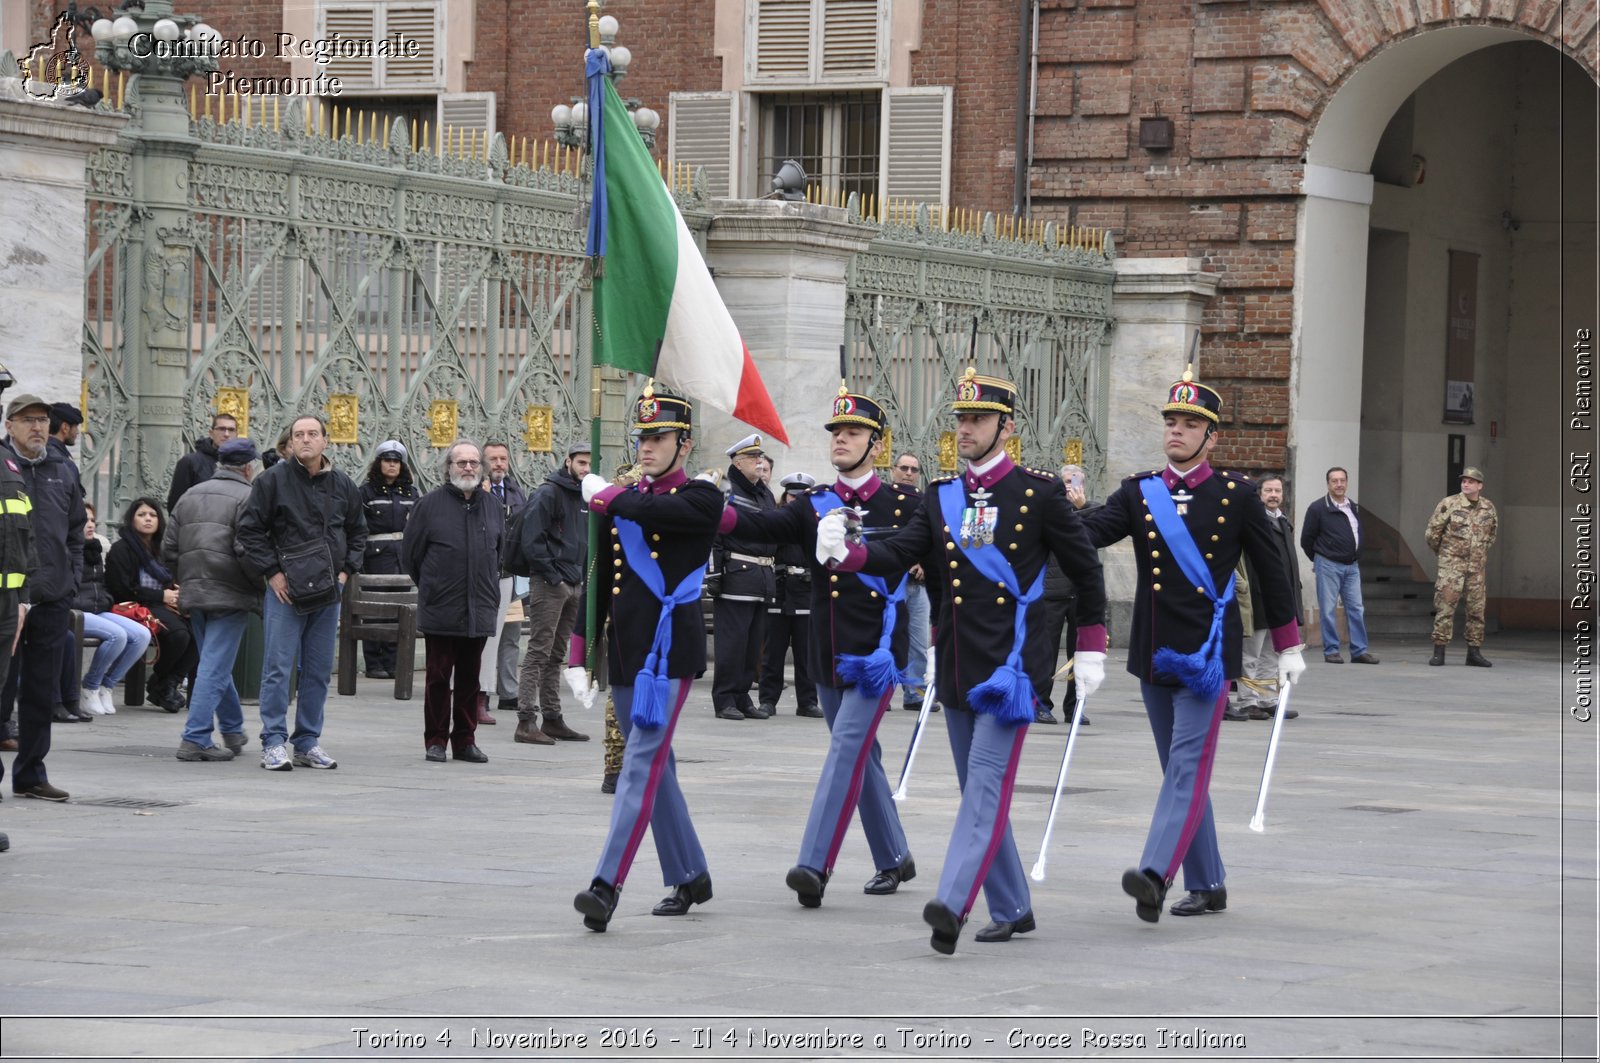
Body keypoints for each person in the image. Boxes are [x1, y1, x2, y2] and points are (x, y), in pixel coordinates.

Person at [820, 367, 1107, 954]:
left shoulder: (1039, 492)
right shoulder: (941, 495)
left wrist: (1092, 648)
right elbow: (901, 551)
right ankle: (1013, 906)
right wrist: (849, 554)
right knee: (978, 787)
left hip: (1011, 666)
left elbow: (1086, 570)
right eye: (961, 420)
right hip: (956, 661)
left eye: (977, 419)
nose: (966, 429)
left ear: (1006, 425)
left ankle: (952, 901)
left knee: (983, 785)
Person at [1081, 368, 1305, 923]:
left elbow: (1273, 571)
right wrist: (1040, 519)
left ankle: (1155, 872)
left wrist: (1289, 643)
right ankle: (1208, 882)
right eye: (1171, 423)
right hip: (1154, 651)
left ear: (1211, 437)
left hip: (1206, 654)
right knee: (1180, 771)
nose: (1176, 432)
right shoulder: (1139, 492)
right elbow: (1092, 530)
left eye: (1189, 424)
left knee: (1186, 766)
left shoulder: (1236, 494)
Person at [727, 390, 919, 907]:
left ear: (875, 446)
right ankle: (895, 856)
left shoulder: (905, 505)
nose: (840, 439)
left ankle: (814, 864)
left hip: (876, 653)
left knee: (844, 750)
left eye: (852, 433)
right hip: (827, 647)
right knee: (861, 755)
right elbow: (760, 526)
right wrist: (712, 511)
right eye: (836, 432)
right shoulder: (813, 504)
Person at [571, 386, 722, 932]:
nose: (647, 447)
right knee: (659, 768)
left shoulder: (703, 496)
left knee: (640, 763)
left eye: (658, 438)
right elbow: (599, 578)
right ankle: (690, 874)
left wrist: (604, 493)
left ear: (684, 444)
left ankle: (605, 884)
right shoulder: (624, 497)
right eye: (642, 438)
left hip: (670, 652)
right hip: (628, 646)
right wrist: (579, 650)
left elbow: (653, 509)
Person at [235, 413, 366, 772]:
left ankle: (307, 741)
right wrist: (272, 574)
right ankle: (273, 742)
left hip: (328, 592)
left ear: (326, 441)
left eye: (312, 434)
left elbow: (357, 532)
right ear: (290, 443)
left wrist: (344, 573)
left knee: (319, 669)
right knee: (278, 667)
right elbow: (249, 531)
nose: (305, 440)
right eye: (298, 435)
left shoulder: (343, 485)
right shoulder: (272, 481)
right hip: (286, 592)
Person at [1, 393, 82, 801]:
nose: (38, 427)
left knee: (40, 690)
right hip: (7, 598)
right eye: (28, 419)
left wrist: (72, 580)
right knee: (1, 687)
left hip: (51, 596)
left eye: (43, 420)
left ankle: (31, 773)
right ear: (9, 425)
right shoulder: (2, 466)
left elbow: (76, 531)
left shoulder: (62, 469)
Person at [402, 439, 503, 764]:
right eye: (462, 463)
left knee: (470, 680)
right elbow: (411, 556)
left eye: (474, 463)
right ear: (449, 468)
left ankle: (465, 741)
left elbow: (498, 554)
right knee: (438, 677)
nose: (469, 468)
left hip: (480, 606)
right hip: (442, 606)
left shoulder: (492, 506)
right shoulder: (429, 505)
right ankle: (435, 740)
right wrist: (435, 586)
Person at [163, 438, 263, 760]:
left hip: (195, 590)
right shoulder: (249, 496)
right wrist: (258, 585)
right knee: (213, 666)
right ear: (249, 467)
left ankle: (233, 728)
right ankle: (195, 738)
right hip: (230, 592)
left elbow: (169, 549)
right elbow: (247, 550)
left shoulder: (190, 496)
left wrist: (185, 579)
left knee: (212, 662)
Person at [515, 440, 591, 745]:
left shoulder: (585, 495)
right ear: (568, 461)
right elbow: (531, 540)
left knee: (558, 654)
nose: (586, 469)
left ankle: (553, 717)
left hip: (573, 581)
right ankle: (525, 720)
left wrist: (578, 580)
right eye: (581, 463)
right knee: (538, 650)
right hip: (550, 583)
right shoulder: (548, 492)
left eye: (589, 464)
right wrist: (554, 577)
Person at [709, 434, 778, 720]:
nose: (760, 463)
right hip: (736, 575)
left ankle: (741, 696)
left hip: (762, 578)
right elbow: (713, 535)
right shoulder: (726, 491)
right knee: (732, 643)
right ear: (738, 462)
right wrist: (714, 573)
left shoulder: (764, 493)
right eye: (753, 458)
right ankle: (724, 698)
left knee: (752, 645)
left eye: (761, 458)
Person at [106, 498, 197, 714]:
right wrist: (161, 596)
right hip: (135, 605)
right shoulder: (122, 549)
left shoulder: (161, 548)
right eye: (142, 514)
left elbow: (170, 579)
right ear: (131, 519)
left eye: (153, 515)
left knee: (199, 633)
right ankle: (161, 684)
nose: (148, 519)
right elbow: (121, 589)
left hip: (161, 604)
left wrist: (175, 595)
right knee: (178, 635)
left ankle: (166, 683)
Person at [1226, 474, 1304, 721]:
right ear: (1259, 494)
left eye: (1277, 491)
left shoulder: (1284, 522)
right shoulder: (1253, 522)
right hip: (1258, 596)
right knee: (1252, 652)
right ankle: (1248, 700)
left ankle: (1268, 698)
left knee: (1272, 651)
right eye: (1268, 490)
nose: (1273, 495)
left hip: (1280, 597)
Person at [1026, 463, 1098, 726]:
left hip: (1080, 593)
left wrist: (1081, 508)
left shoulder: (1092, 508)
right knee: (1045, 653)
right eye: (1066, 481)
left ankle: (1075, 706)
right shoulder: (1049, 509)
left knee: (1081, 656)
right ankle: (1040, 704)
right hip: (1052, 590)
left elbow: (1095, 534)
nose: (1070, 486)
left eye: (1075, 480)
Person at [73, 502, 151, 716]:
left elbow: (102, 584)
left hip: (99, 609)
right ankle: (90, 686)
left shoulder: (95, 549)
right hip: (76, 612)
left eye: (92, 521)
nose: (90, 525)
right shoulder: (67, 549)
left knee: (142, 634)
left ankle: (106, 685)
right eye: (84, 521)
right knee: (117, 635)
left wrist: (106, 599)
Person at [756, 472, 822, 720]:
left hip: (805, 591)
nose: (796, 500)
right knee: (773, 651)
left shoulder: (817, 522)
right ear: (785, 496)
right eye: (792, 495)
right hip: (780, 589)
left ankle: (807, 702)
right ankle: (767, 700)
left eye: (801, 496)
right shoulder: (776, 520)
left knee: (806, 653)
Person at [1301, 466, 1378, 665]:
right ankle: (1331, 650)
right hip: (1328, 564)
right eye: (1334, 481)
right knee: (1328, 610)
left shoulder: (1352, 506)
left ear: (1347, 482)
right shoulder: (1317, 508)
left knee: (1356, 609)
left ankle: (1359, 651)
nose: (1339, 484)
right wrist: (1320, 559)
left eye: (1342, 480)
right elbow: (1306, 539)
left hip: (1352, 566)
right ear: (1328, 484)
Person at [476, 440, 529, 725]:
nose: (499, 464)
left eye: (503, 459)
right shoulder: (477, 490)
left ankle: (509, 691)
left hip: (513, 572)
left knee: (511, 633)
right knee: (489, 635)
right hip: (488, 573)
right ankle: (481, 693)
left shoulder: (515, 490)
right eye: (493, 459)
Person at [598, 461, 642, 793]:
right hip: (625, 606)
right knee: (621, 691)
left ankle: (637, 763)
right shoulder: (624, 486)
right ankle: (616, 766)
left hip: (659, 610)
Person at [1425, 467, 1497, 667]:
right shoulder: (1449, 504)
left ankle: (1474, 652)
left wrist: (1478, 554)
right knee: (1445, 607)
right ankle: (1439, 651)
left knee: (1476, 610)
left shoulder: (1488, 507)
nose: (1466, 484)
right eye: (1464, 481)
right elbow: (1432, 533)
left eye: (1471, 481)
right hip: (1452, 568)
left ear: (1479, 486)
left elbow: (1491, 535)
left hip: (1476, 569)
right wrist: (1446, 555)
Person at [357, 440, 417, 680]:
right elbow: (359, 527)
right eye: (387, 461)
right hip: (376, 557)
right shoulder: (367, 492)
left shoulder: (411, 493)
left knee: (399, 610)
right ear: (379, 463)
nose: (392, 465)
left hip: (402, 556)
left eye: (396, 462)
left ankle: (393, 662)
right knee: (374, 610)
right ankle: (373, 663)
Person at [890, 453, 931, 712]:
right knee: (887, 637)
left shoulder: (926, 503)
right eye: (903, 468)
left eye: (914, 469)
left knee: (918, 641)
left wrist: (925, 563)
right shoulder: (884, 500)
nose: (908, 473)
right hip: (891, 581)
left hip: (918, 583)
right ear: (893, 470)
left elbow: (935, 540)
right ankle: (882, 691)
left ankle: (915, 693)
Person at [167, 413, 238, 512]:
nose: (226, 434)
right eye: (221, 429)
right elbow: (176, 504)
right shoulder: (190, 462)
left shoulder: (242, 465)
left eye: (231, 430)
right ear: (211, 433)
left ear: (236, 435)